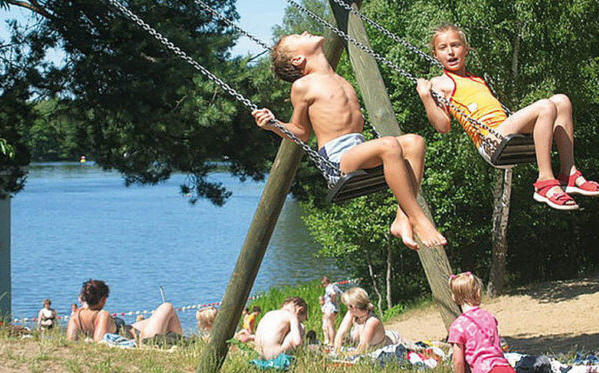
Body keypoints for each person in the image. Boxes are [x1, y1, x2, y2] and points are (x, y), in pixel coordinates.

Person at [252, 32, 446, 250]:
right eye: (298, 36)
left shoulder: (339, 79)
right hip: (338, 161)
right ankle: (419, 219)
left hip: (358, 149)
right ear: (298, 59)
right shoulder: (303, 85)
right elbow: (301, 132)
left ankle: (402, 218)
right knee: (389, 145)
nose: (305, 32)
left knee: (415, 142)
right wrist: (273, 123)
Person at [417, 24, 598, 211]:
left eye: (455, 45)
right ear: (435, 54)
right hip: (490, 140)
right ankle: (545, 181)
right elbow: (443, 126)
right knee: (546, 106)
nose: (450, 52)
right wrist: (425, 97)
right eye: (443, 48)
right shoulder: (440, 83)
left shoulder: (477, 79)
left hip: (503, 130)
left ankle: (569, 173)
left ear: (466, 49)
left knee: (562, 101)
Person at [448, 272, 519, 373]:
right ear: (478, 293)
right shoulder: (488, 317)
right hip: (506, 368)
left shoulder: (458, 326)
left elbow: (458, 361)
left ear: (454, 298)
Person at [66, 279, 183, 344]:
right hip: (143, 339)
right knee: (167, 307)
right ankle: (181, 342)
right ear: (103, 299)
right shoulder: (102, 315)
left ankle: (179, 340)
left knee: (153, 320)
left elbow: (70, 340)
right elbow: (100, 340)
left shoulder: (76, 316)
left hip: (133, 329)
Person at [333, 287, 400, 355]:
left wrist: (342, 355)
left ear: (353, 307)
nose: (347, 307)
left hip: (384, 345)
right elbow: (340, 334)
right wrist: (337, 351)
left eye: (348, 305)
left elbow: (361, 349)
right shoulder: (351, 313)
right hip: (363, 348)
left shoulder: (372, 321)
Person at [321, 276, 342, 345]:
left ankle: (331, 342)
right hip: (335, 309)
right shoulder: (335, 286)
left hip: (330, 308)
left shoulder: (328, 287)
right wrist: (338, 302)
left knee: (329, 325)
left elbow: (333, 293)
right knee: (330, 325)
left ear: (324, 282)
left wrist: (332, 300)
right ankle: (330, 340)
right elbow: (342, 294)